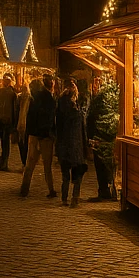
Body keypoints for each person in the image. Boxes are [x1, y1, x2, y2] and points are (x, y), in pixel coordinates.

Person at [19, 75, 57, 199]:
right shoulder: (50, 99)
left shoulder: (34, 98)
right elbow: (50, 119)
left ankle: (24, 188)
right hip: (45, 136)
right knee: (47, 165)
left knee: (30, 163)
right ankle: (51, 189)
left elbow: (29, 116)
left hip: (34, 134)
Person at [54, 79, 88, 207]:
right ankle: (75, 197)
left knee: (65, 174)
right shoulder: (76, 113)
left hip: (63, 144)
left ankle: (64, 198)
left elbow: (58, 126)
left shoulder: (60, 107)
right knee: (78, 173)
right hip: (76, 146)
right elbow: (81, 130)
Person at [85, 74, 119, 201]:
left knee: (101, 166)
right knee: (109, 166)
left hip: (98, 138)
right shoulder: (111, 101)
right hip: (108, 138)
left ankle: (104, 190)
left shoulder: (98, 100)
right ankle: (111, 190)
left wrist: (89, 138)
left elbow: (90, 119)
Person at [0, 74, 18, 171]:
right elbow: (15, 110)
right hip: (7, 121)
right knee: (5, 142)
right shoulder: (12, 94)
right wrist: (15, 125)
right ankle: (4, 162)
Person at [14, 77, 32, 168]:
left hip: (21, 122)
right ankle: (25, 160)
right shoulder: (29, 98)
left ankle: (24, 160)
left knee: (22, 142)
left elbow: (16, 111)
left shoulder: (22, 97)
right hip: (25, 123)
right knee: (25, 142)